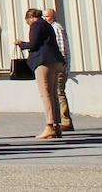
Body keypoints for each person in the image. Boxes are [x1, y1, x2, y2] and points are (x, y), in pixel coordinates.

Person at [15, 8, 65, 139]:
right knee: (53, 95)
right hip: (55, 60)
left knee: (46, 94)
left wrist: (22, 44)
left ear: (30, 18)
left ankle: (50, 125)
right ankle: (56, 125)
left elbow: (34, 44)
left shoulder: (36, 25)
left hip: (44, 62)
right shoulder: (47, 25)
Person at [43, 8, 74, 131]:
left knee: (59, 92)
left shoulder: (56, 28)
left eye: (48, 17)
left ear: (53, 17)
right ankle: (61, 119)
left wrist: (60, 64)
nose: (45, 19)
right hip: (60, 65)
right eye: (44, 17)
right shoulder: (52, 28)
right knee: (57, 92)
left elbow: (62, 48)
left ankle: (65, 120)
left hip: (60, 66)